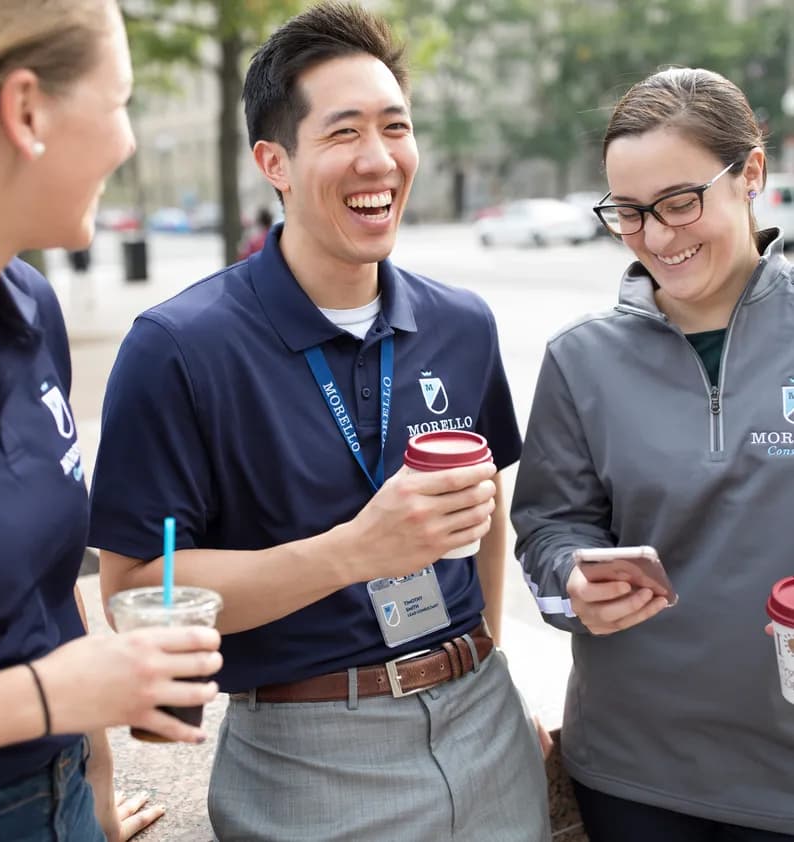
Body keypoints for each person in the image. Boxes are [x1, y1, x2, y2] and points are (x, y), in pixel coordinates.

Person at [88, 3, 550, 840]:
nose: (379, 159)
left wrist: (487, 661)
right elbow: (131, 593)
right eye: (343, 133)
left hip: (486, 727)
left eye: (395, 126)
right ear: (277, 162)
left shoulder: (463, 323)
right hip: (306, 756)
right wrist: (355, 552)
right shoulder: (178, 349)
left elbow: (486, 515)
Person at [0, 2, 223, 840]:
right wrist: (52, 694)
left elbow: (48, 597)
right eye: (120, 102)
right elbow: (62, 672)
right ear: (28, 110)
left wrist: (96, 799)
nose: (129, 140)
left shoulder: (29, 307)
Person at [511, 67, 794, 841]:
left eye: (679, 202)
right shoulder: (580, 360)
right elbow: (545, 530)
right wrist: (572, 576)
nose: (658, 236)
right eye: (629, 213)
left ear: (752, 175)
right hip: (635, 775)